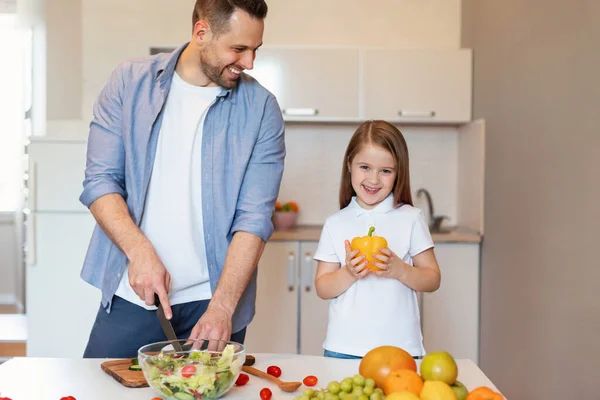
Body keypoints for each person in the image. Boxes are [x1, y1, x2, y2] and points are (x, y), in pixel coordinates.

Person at [79, 0, 285, 358]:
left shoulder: (262, 109)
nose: (249, 62)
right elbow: (101, 181)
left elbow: (253, 219)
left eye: (255, 49)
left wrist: (223, 308)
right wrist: (140, 253)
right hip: (134, 290)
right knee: (100, 388)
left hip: (214, 305)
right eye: (238, 48)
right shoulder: (130, 83)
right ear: (201, 32)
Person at [313, 120, 441, 359]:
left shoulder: (411, 218)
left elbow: (432, 279)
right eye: (365, 167)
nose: (373, 180)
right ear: (349, 164)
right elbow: (322, 287)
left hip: (401, 349)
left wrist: (400, 270)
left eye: (385, 171)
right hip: (344, 348)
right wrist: (349, 272)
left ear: (398, 173)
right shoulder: (336, 223)